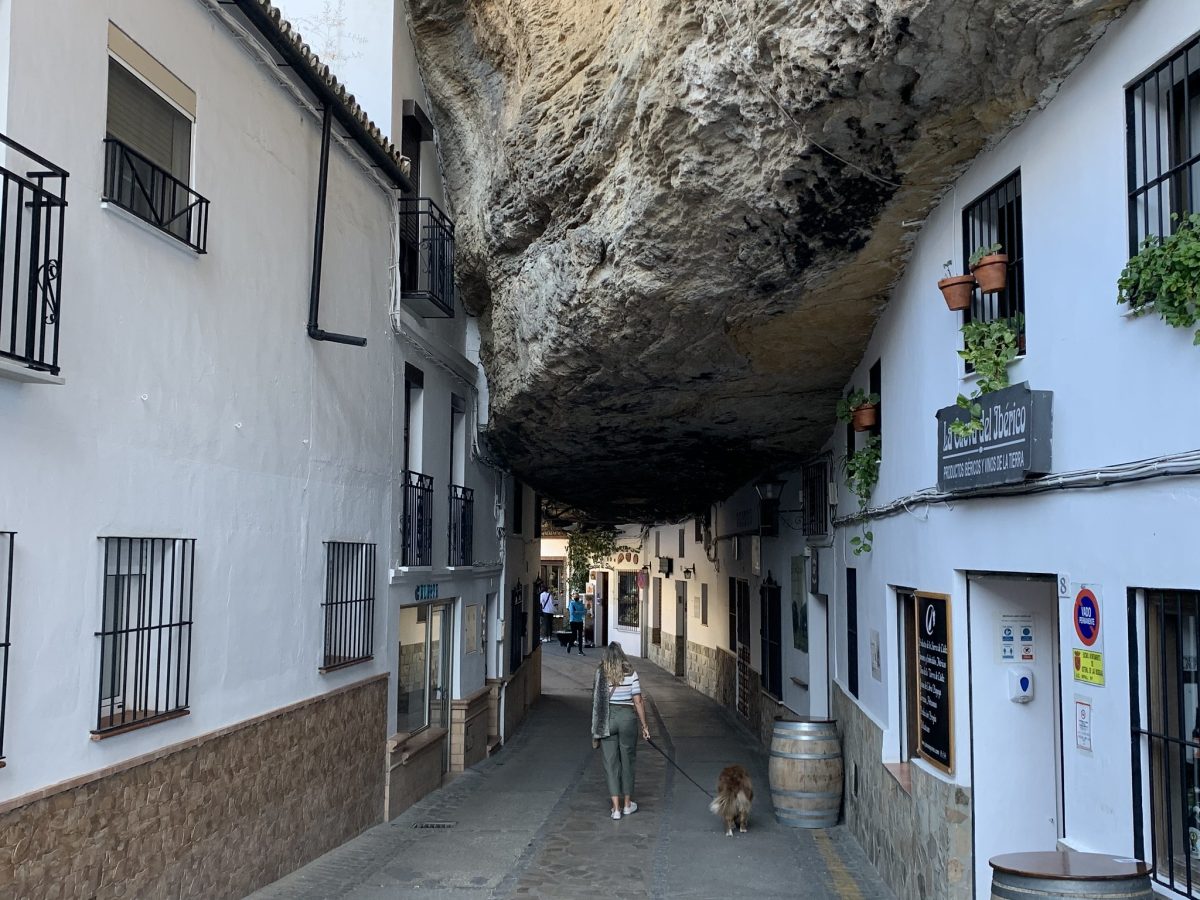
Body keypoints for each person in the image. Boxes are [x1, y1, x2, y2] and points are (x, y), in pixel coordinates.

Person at [591, 642, 650, 820]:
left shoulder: (601, 673)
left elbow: (596, 700)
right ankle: (627, 805)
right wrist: (645, 726)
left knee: (611, 763)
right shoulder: (632, 673)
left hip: (608, 719)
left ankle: (615, 809)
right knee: (628, 761)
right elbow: (638, 700)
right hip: (627, 719)